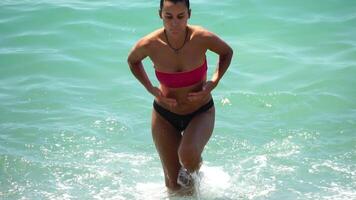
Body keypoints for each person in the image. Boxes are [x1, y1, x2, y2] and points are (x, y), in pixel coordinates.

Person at [127, 0, 233, 192]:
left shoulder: (201, 37)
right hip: (164, 115)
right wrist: (150, 88)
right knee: (175, 184)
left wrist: (214, 81)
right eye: (168, 17)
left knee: (188, 154)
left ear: (189, 14)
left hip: (200, 111)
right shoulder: (150, 44)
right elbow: (133, 61)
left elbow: (226, 52)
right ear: (160, 14)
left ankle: (194, 164)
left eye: (180, 16)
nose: (174, 23)